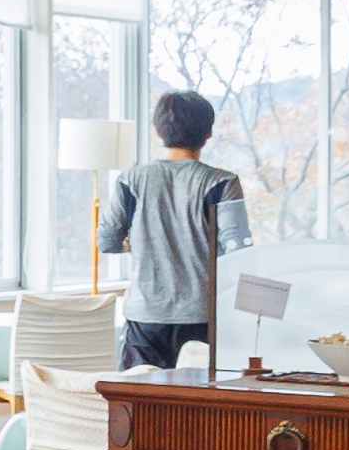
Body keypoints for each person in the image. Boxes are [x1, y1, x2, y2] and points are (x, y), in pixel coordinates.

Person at [99, 88, 252, 370]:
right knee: (197, 398)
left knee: (141, 395)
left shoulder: (130, 180)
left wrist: (133, 243)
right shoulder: (222, 182)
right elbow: (238, 250)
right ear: (208, 133)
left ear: (159, 131)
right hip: (202, 315)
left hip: (145, 317)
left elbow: (107, 241)